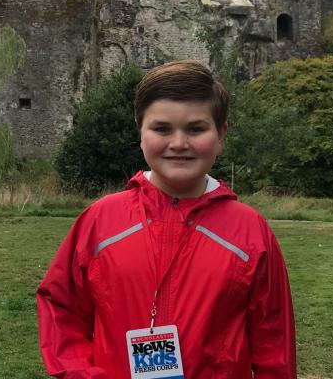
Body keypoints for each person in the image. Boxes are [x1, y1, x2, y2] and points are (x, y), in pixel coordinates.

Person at [37, 60, 297, 379]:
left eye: (196, 129)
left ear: (221, 134)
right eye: (161, 129)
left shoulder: (250, 231)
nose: (178, 144)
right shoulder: (100, 220)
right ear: (141, 132)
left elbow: (275, 346)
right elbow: (61, 307)